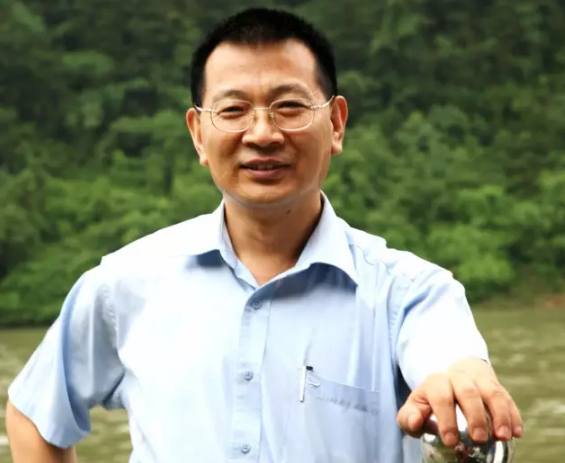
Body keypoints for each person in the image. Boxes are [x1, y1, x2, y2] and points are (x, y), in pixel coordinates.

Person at [5, 7, 522, 463]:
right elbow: (34, 416)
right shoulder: (125, 284)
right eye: (233, 110)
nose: (262, 133)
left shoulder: (409, 295)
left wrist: (462, 382)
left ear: (336, 123)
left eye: (289, 107)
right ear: (198, 134)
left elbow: (449, 358)